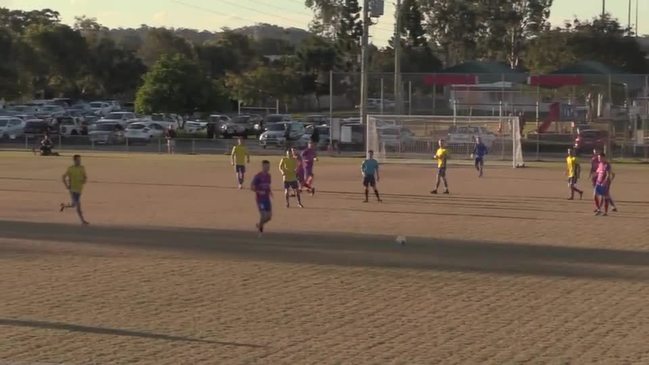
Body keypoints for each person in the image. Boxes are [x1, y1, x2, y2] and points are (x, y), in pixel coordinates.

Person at [60, 154, 89, 225]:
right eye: (78, 160)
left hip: (79, 189)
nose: (79, 161)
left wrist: (84, 180)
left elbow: (85, 177)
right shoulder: (71, 168)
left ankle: (63, 206)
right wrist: (66, 186)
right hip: (73, 190)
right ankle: (83, 221)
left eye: (80, 160)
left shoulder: (82, 168)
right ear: (74, 160)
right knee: (78, 205)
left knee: (73, 205)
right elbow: (63, 177)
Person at [251, 160, 273, 236]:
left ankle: (259, 224)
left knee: (269, 217)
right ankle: (260, 231)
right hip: (260, 199)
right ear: (263, 166)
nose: (268, 168)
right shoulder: (258, 176)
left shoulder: (269, 176)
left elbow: (268, 185)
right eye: (266, 166)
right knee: (263, 215)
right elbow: (252, 187)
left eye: (269, 166)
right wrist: (259, 191)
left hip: (267, 198)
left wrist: (270, 192)